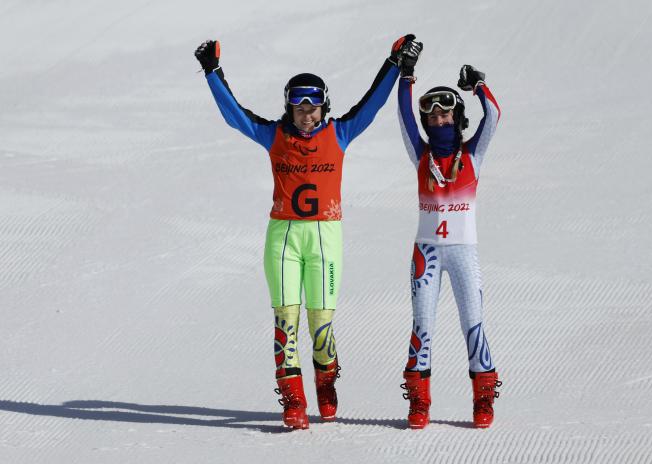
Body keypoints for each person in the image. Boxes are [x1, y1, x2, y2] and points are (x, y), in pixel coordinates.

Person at [194, 35, 422, 429]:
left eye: (312, 106)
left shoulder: (340, 133)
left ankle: (326, 379)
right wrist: (213, 72)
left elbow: (372, 104)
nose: (305, 114)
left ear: (323, 107)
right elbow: (236, 116)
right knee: (286, 320)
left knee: (321, 323)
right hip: (283, 235)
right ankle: (293, 400)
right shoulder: (274, 135)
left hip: (325, 238)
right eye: (299, 106)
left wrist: (391, 63)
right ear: (289, 107)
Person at [396, 63, 502, 429]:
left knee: (473, 322)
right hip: (425, 252)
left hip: (462, 252)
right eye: (433, 116)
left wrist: (479, 87)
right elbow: (403, 115)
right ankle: (419, 399)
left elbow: (494, 116)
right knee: (422, 324)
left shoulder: (473, 154)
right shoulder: (421, 155)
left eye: (446, 115)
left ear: (458, 118)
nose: (439, 121)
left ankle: (484, 395)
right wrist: (406, 76)